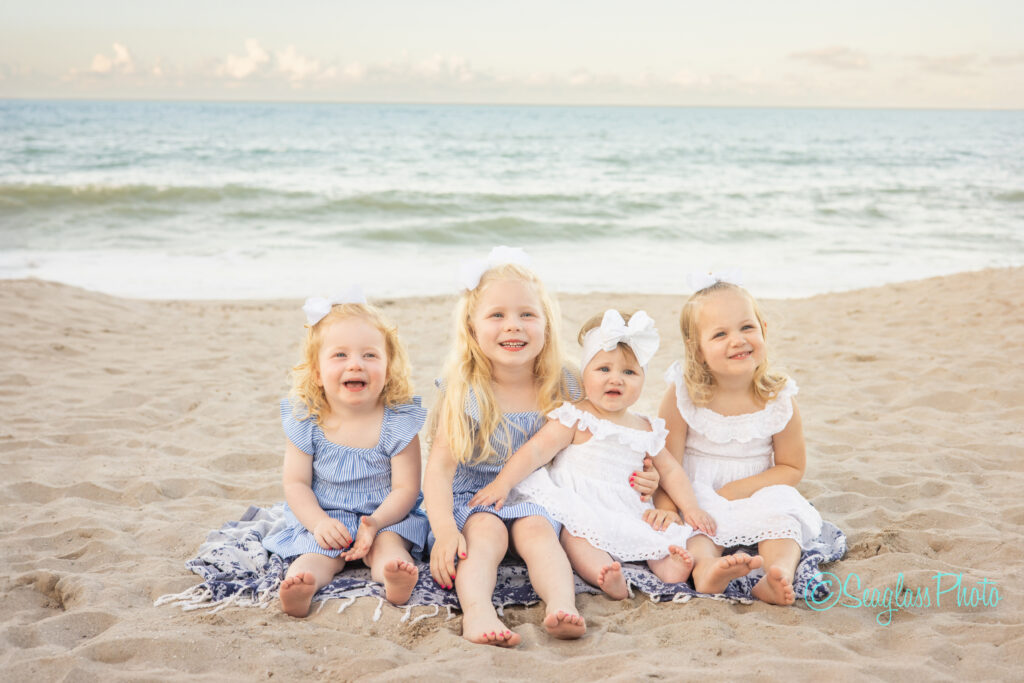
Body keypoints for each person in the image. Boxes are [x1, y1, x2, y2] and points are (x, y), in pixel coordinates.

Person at [423, 247, 614, 646]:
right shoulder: (468, 391)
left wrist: (643, 472)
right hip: (474, 497)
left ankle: (562, 606)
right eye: (497, 315)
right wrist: (443, 531)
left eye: (527, 314)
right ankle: (478, 613)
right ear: (472, 328)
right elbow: (439, 470)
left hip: (536, 493)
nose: (514, 326)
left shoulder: (566, 383)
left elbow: (608, 434)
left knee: (539, 531)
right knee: (485, 534)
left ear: (547, 324)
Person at [469, 309, 715, 600]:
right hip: (580, 502)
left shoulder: (646, 427)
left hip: (625, 505)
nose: (616, 379)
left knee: (654, 534)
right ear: (584, 374)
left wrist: (690, 508)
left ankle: (668, 568)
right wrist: (503, 483)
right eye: (603, 369)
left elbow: (671, 471)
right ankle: (605, 574)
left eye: (629, 372)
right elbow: (536, 450)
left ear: (643, 379)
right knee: (576, 537)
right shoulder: (577, 416)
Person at [654, 273, 823, 605]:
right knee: (696, 530)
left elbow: (791, 466)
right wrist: (668, 508)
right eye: (720, 334)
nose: (738, 340)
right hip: (698, 489)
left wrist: (737, 491)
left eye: (747, 328)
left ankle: (777, 575)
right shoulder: (682, 395)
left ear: (763, 329)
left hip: (757, 488)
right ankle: (706, 570)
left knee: (785, 519)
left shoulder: (778, 397)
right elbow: (666, 461)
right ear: (697, 349)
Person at [262, 290, 428, 617]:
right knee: (318, 552)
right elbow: (296, 484)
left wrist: (376, 521)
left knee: (390, 546)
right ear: (316, 372)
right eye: (340, 355)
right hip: (328, 514)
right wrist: (319, 522)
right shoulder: (307, 419)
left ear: (389, 366)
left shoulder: (399, 420)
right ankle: (303, 583)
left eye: (370, 355)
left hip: (385, 516)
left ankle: (393, 577)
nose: (356, 364)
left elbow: (407, 489)